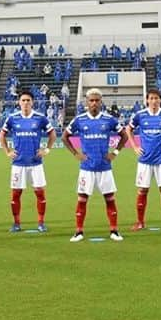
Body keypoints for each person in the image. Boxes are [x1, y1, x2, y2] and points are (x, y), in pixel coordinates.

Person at [63, 88, 128, 242]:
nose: (94, 103)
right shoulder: (79, 120)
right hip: (87, 168)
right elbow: (65, 137)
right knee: (82, 199)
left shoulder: (109, 119)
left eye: (97, 100)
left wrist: (115, 152)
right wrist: (76, 153)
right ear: (87, 102)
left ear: (101, 102)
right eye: (91, 100)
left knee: (110, 199)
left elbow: (124, 135)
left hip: (105, 167)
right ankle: (78, 232)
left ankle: (114, 231)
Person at [126, 88, 161, 231]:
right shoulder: (140, 115)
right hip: (145, 159)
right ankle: (140, 222)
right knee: (142, 190)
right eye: (151, 98)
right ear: (147, 100)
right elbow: (128, 129)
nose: (154, 101)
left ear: (160, 100)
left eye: (156, 98)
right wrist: (134, 146)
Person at [0, 90, 56, 232]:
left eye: (28, 100)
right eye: (23, 100)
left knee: (40, 193)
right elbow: (2, 135)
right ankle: (16, 223)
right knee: (16, 194)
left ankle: (41, 223)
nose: (25, 103)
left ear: (32, 102)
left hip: (36, 163)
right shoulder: (12, 118)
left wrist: (46, 150)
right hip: (18, 163)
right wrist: (7, 151)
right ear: (19, 102)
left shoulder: (40, 118)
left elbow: (53, 134)